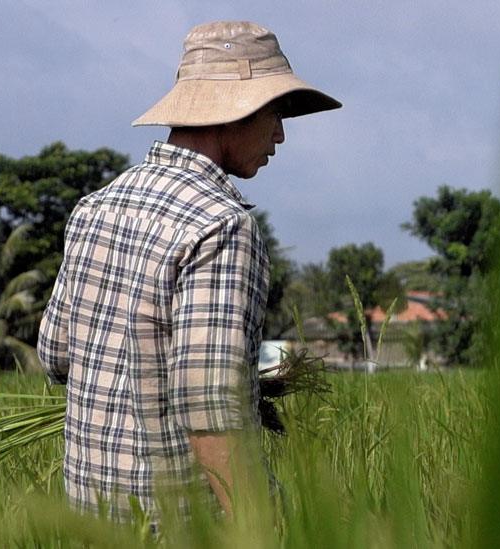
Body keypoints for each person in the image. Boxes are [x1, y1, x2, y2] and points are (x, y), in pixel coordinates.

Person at [37, 20, 340, 521]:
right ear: (234, 110)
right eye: (276, 113)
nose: (281, 135)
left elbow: (56, 355)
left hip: (87, 517)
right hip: (178, 521)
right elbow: (212, 412)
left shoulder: (95, 207)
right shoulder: (220, 225)